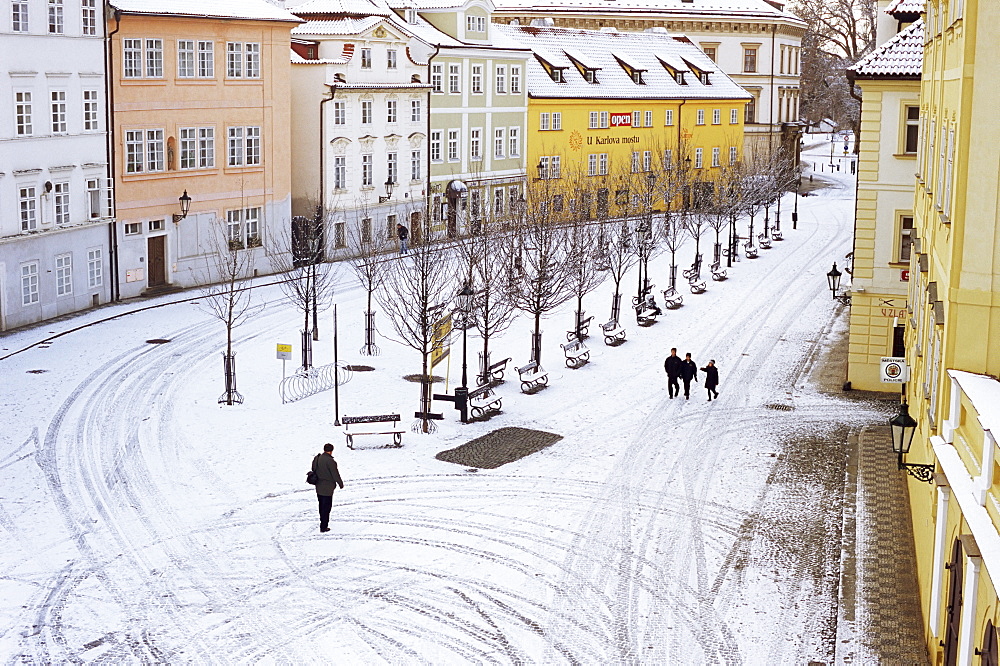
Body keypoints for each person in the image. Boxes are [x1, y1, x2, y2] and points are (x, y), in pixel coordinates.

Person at [312, 443, 344, 533]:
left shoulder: (317, 458)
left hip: (318, 486)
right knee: (327, 507)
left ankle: (322, 522)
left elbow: (313, 468)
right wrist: (340, 483)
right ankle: (324, 526)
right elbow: (335, 474)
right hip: (328, 488)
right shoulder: (330, 461)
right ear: (331, 451)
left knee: (321, 505)